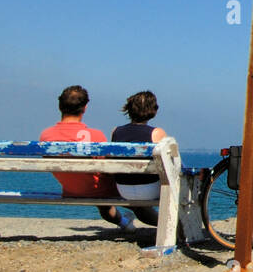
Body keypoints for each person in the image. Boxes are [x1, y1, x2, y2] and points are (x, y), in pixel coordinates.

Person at [40, 85, 136, 232]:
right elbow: (107, 168)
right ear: (85, 107)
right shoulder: (95, 135)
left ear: (60, 106)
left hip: (70, 190)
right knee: (134, 193)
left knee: (102, 199)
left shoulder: (46, 136)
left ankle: (124, 223)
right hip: (99, 190)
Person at [110, 91, 164, 227]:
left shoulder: (116, 131)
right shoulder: (156, 133)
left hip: (123, 189)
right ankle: (176, 228)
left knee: (140, 207)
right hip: (149, 189)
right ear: (153, 110)